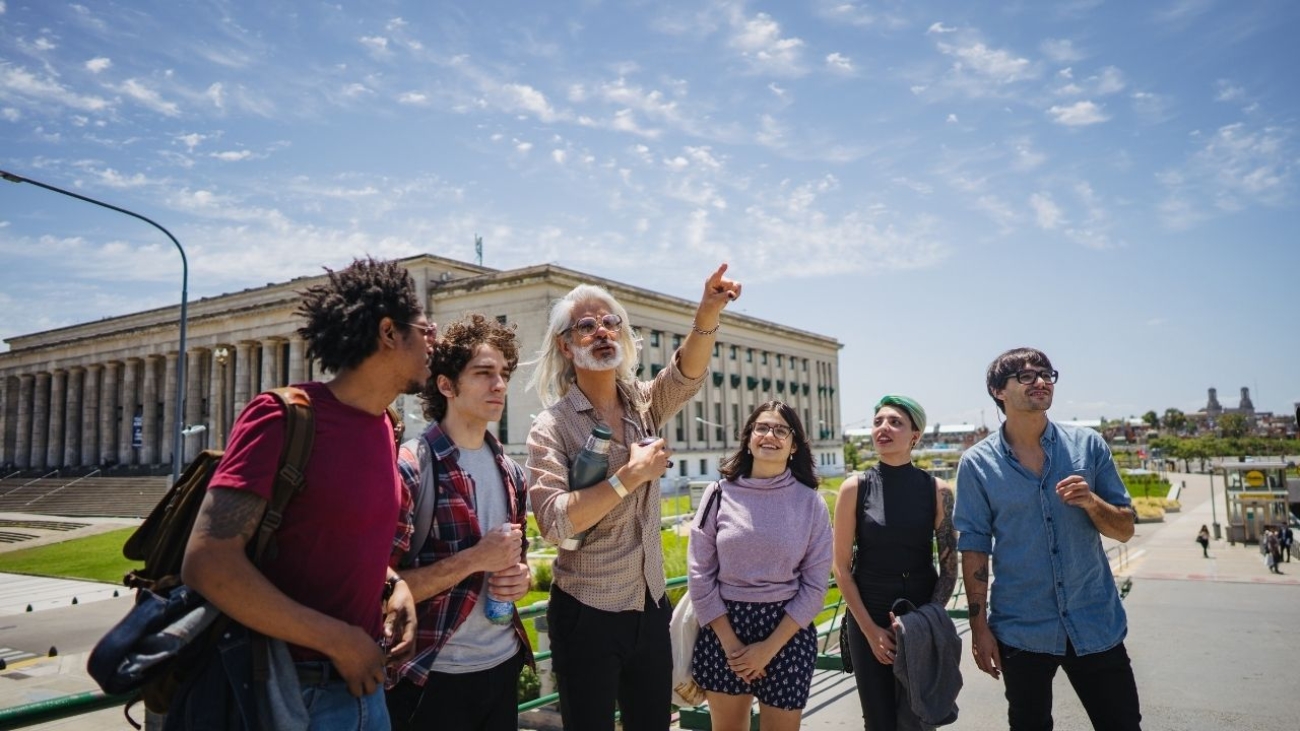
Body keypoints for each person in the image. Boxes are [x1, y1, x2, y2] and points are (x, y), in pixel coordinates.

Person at [182, 257, 424, 728]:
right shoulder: (282, 416)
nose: (433, 342)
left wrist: (394, 586)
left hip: (364, 684)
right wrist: (338, 640)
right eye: (426, 329)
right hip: (289, 688)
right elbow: (208, 562)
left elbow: (334, 539)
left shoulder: (385, 427)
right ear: (390, 333)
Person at [526, 264, 741, 731]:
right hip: (587, 611)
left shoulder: (642, 404)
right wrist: (630, 475)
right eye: (585, 326)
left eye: (610, 323)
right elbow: (555, 521)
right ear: (566, 345)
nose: (601, 332)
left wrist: (708, 309)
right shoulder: (552, 426)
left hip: (650, 606)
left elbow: (686, 374)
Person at [954, 347, 1142, 731]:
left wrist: (1091, 502)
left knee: (1122, 724)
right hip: (1021, 626)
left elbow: (1124, 528)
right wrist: (979, 628)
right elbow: (974, 547)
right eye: (1025, 376)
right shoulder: (976, 464)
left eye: (1046, 374)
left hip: (1095, 619)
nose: (1040, 381)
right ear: (997, 390)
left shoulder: (1087, 446)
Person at [386, 314, 533, 730]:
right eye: (484, 373)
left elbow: (511, 564)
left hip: (502, 665)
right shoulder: (410, 468)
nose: (500, 384)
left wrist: (519, 578)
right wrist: (474, 560)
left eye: (503, 373)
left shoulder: (512, 472)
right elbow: (378, 589)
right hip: (430, 675)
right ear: (446, 385)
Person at [688, 401, 832, 731]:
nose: (770, 435)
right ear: (749, 438)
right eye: (762, 427)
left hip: (787, 630)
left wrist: (768, 648)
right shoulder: (718, 494)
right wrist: (732, 644)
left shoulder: (811, 503)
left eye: (781, 430)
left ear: (794, 446)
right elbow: (699, 572)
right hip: (724, 626)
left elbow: (815, 585)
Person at [831, 395, 958, 731]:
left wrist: (926, 619)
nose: (883, 428)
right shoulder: (854, 488)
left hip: (920, 613)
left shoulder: (938, 490)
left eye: (895, 422)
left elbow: (949, 566)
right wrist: (871, 632)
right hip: (867, 615)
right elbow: (841, 568)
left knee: (919, 718)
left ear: (915, 436)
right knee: (879, 720)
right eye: (878, 422)